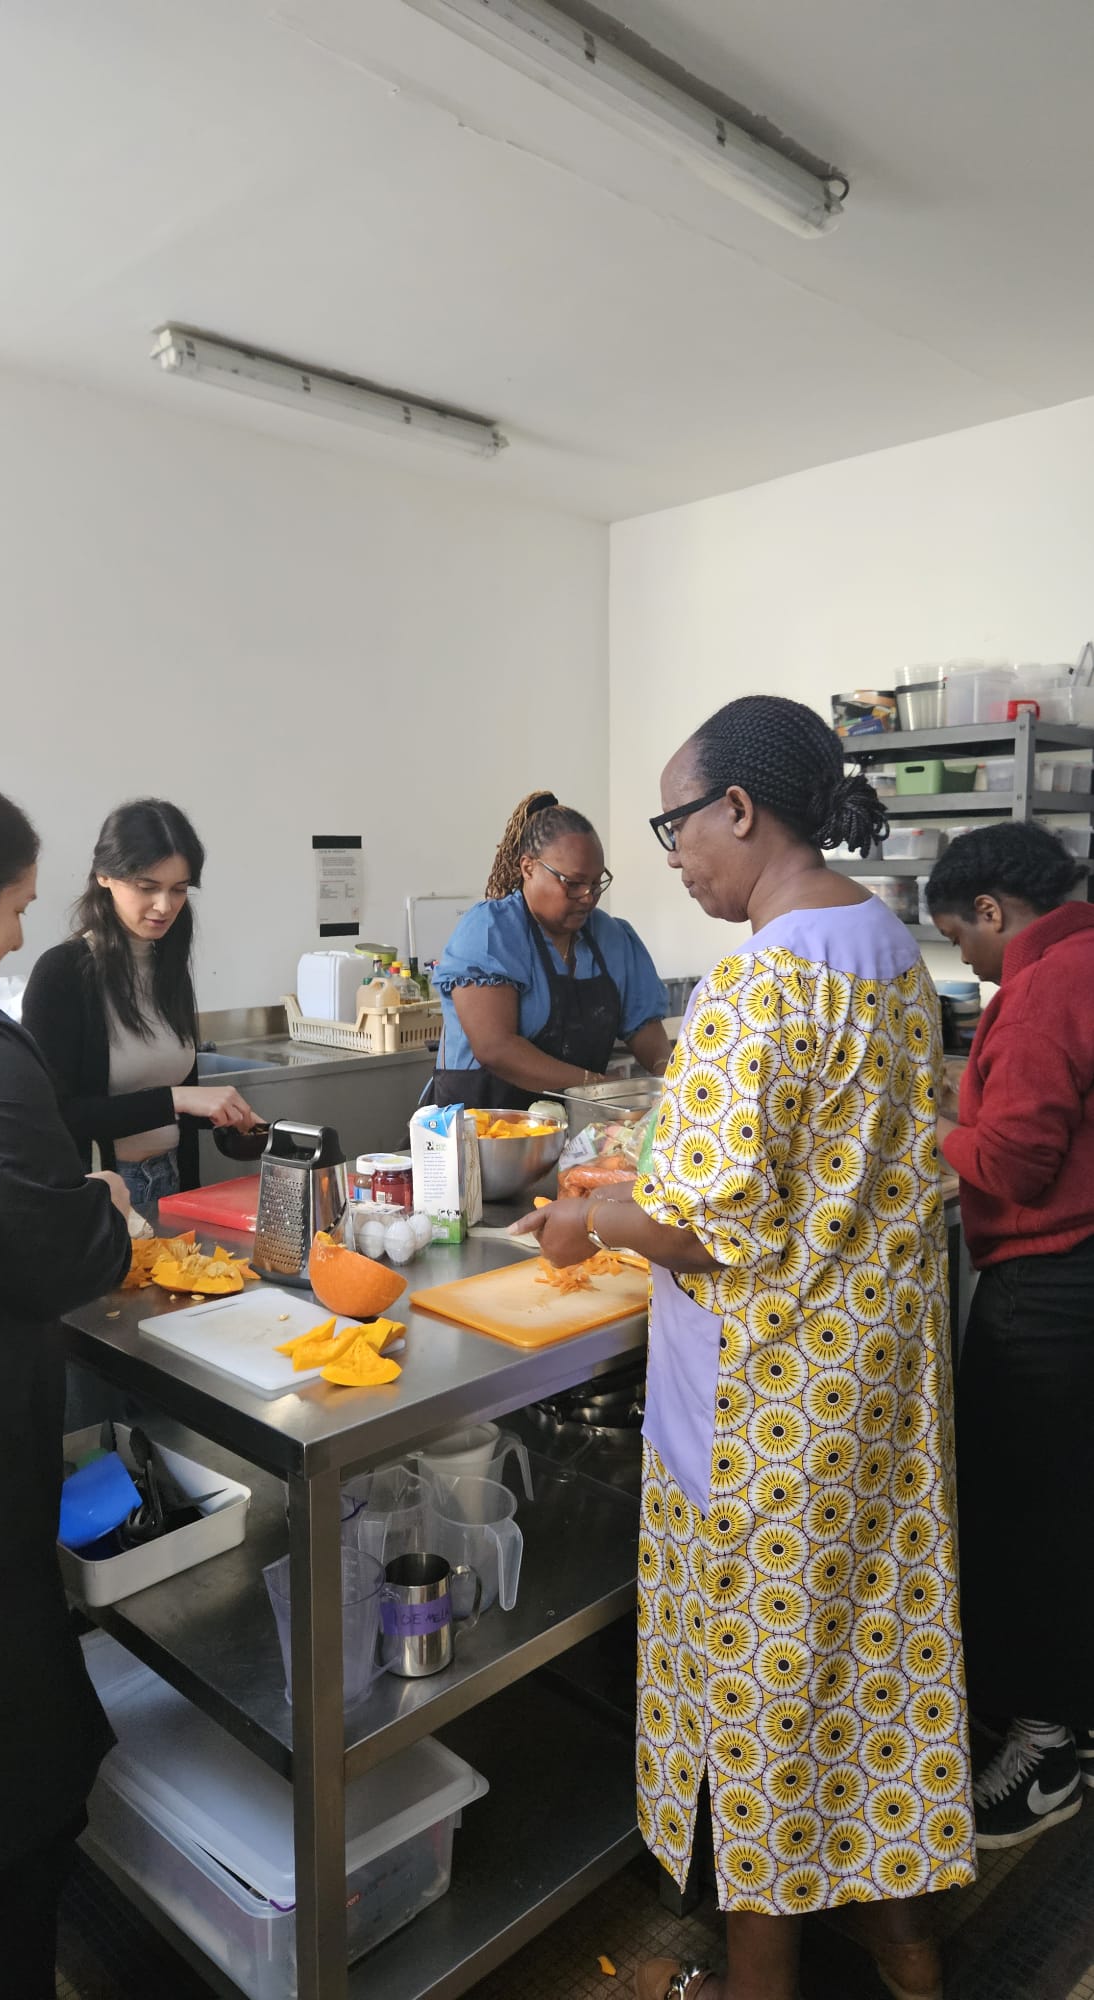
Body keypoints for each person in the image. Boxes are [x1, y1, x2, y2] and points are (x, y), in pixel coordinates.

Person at [517, 697, 974, 2000]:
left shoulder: (758, 980)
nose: (670, 855)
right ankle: (906, 1949)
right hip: (876, 1394)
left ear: (738, 807)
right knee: (865, 1670)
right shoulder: (885, 949)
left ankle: (754, 1981)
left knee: (761, 1695)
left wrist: (586, 1217)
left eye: (675, 825)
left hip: (764, 1407)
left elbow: (696, 1227)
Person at [0, 778, 133, 1997]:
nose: (18, 931)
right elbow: (51, 1243)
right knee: (12, 1810)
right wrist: (105, 1208)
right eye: (11, 905)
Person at [927, 821, 1094, 1848]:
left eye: (960, 937)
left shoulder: (1036, 992)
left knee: (1022, 1511)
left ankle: (1041, 1754)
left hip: (1049, 1286)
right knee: (1070, 1501)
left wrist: (928, 1128)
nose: (968, 960)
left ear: (992, 909)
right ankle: (1073, 1714)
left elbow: (1016, 1163)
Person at [23, 799, 262, 1217]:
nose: (165, 906)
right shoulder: (62, 972)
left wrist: (225, 1115)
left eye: (179, 889)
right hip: (105, 1192)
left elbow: (174, 1098)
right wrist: (177, 1099)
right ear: (104, 876)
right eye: (147, 887)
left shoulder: (168, 965)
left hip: (173, 1179)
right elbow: (56, 1115)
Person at [431, 791, 671, 1108]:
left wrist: (669, 1077)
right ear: (528, 867)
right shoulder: (491, 932)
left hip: (579, 1124)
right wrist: (597, 1087)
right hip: (484, 1124)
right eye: (573, 883)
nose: (588, 896)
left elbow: (645, 1028)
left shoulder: (611, 937)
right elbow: (494, 1048)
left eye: (596, 883)